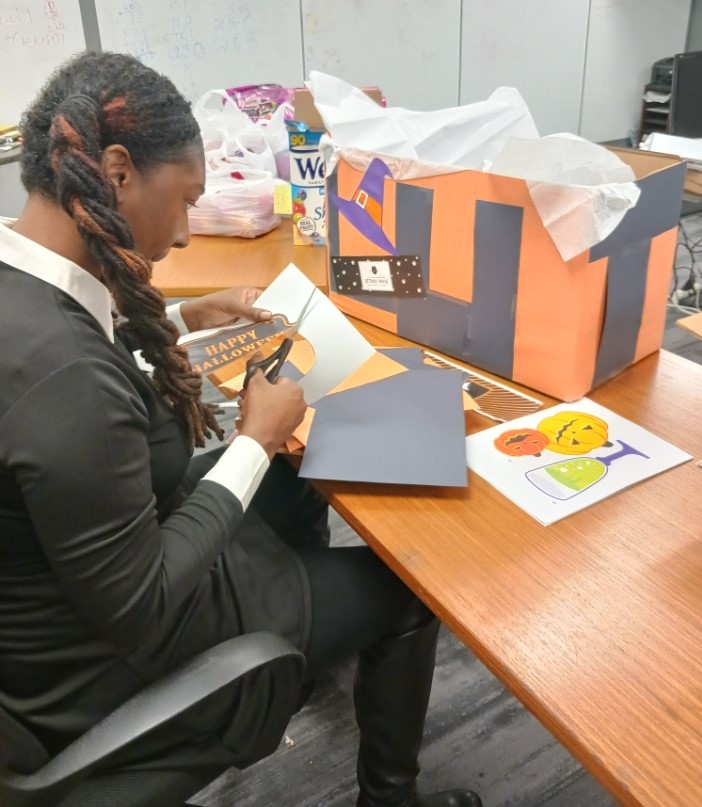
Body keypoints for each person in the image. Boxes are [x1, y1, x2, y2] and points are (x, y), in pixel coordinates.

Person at [0, 51, 482, 807]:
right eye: (186, 200)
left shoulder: (21, 292)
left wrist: (183, 318)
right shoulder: (64, 376)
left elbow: (69, 389)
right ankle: (389, 797)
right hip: (109, 660)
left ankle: (311, 636)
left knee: (295, 473)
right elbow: (142, 605)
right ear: (118, 172)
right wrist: (254, 437)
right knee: (410, 586)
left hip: (62, 601)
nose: (188, 233)